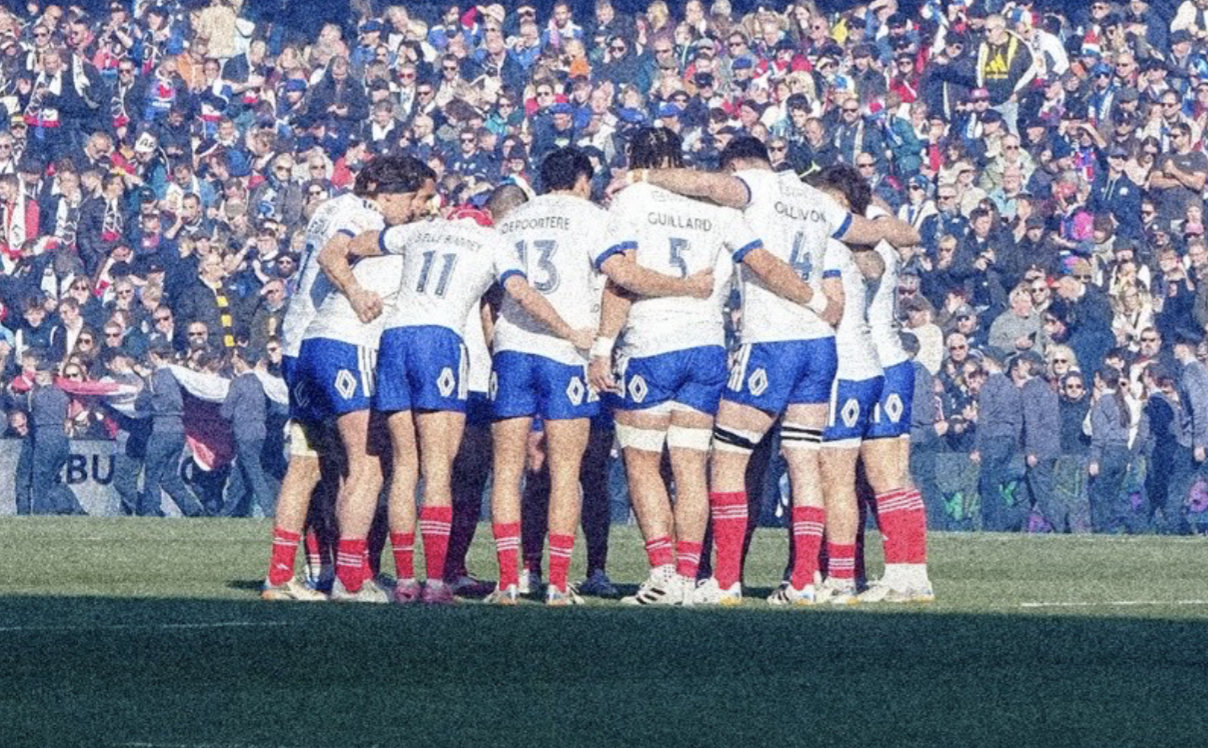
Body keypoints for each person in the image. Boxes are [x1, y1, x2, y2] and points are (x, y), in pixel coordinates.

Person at [622, 135, 919, 605]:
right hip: (820, 346)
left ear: (738, 166)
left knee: (728, 459)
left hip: (771, 341)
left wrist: (643, 176)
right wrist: (895, 228)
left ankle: (724, 581)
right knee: (805, 463)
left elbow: (708, 186)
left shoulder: (755, 187)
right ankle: (804, 581)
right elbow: (879, 236)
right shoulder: (816, 200)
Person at [488, 146, 709, 606]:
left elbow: (494, 294)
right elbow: (621, 275)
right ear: (583, 181)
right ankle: (557, 584)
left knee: (508, 471)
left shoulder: (511, 220)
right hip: (568, 352)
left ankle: (508, 581)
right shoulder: (592, 217)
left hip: (512, 350)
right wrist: (685, 286)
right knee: (568, 473)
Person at [261, 156, 433, 603]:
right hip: (340, 342)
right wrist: (356, 293)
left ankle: (286, 575)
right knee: (366, 464)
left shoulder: (328, 206)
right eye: (415, 198)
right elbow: (331, 255)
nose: (417, 208)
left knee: (312, 464)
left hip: (301, 343)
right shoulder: (361, 213)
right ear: (387, 194)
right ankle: (350, 578)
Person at [138, 342, 206, 518]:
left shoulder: (153, 378)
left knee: (152, 472)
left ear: (153, 356)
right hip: (179, 429)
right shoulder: (179, 376)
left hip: (161, 428)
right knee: (169, 476)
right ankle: (192, 509)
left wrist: (143, 393)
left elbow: (140, 404)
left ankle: (151, 510)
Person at [970, 347, 1024, 532]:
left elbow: (984, 419)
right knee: (996, 481)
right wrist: (1014, 439)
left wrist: (977, 447)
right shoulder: (1011, 386)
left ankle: (997, 523)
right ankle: (1005, 520)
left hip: (993, 438)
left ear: (990, 361)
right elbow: (1018, 418)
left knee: (989, 484)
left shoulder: (988, 386)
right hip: (1008, 438)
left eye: (983, 360)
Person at [1087, 365, 1142, 533]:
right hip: (1122, 451)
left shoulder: (1102, 403)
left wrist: (1094, 459)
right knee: (1114, 492)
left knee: (1098, 492)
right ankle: (1119, 526)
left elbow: (1099, 435)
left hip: (1108, 451)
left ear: (1100, 381)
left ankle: (1101, 528)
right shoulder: (1122, 403)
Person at [220, 346, 273, 518]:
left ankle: (270, 510)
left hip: (244, 433)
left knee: (254, 473)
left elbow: (225, 412)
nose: (233, 360)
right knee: (240, 473)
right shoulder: (260, 382)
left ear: (241, 360)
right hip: (260, 432)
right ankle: (227, 511)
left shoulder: (238, 383)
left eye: (235, 357)